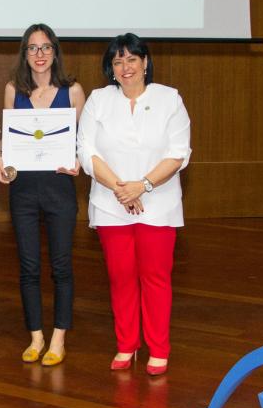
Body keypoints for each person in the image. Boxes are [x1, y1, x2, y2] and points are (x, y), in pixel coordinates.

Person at [77, 33, 191, 376]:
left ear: (145, 62)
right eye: (117, 61)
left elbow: (178, 153)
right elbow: (87, 151)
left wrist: (141, 186)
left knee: (155, 278)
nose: (125, 67)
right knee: (121, 277)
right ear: (110, 69)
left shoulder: (169, 99)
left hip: (158, 203)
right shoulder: (98, 100)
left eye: (131, 59)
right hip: (111, 203)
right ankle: (126, 345)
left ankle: (158, 348)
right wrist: (120, 189)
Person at [0, 24, 85, 366]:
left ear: (55, 52)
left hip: (60, 188)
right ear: (24, 54)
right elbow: (6, 140)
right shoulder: (12, 89)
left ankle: (59, 337)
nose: (40, 54)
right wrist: (0, 158)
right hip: (24, 191)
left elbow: (83, 142)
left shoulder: (72, 90)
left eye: (46, 47)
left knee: (61, 266)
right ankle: (36, 336)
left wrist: (78, 159)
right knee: (28, 267)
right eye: (33, 48)